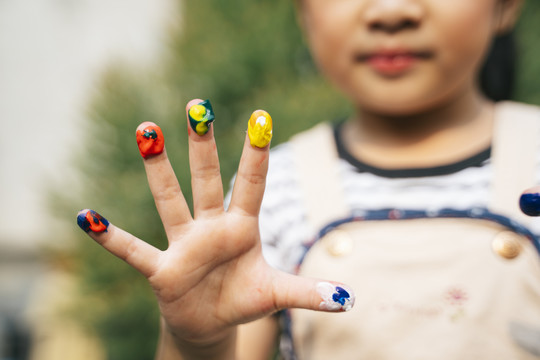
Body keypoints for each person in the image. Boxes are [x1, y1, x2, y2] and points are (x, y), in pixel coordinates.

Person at [76, 0, 540, 359]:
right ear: (303, 12)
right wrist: (198, 343)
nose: (390, 12)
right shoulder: (268, 192)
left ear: (508, 5)